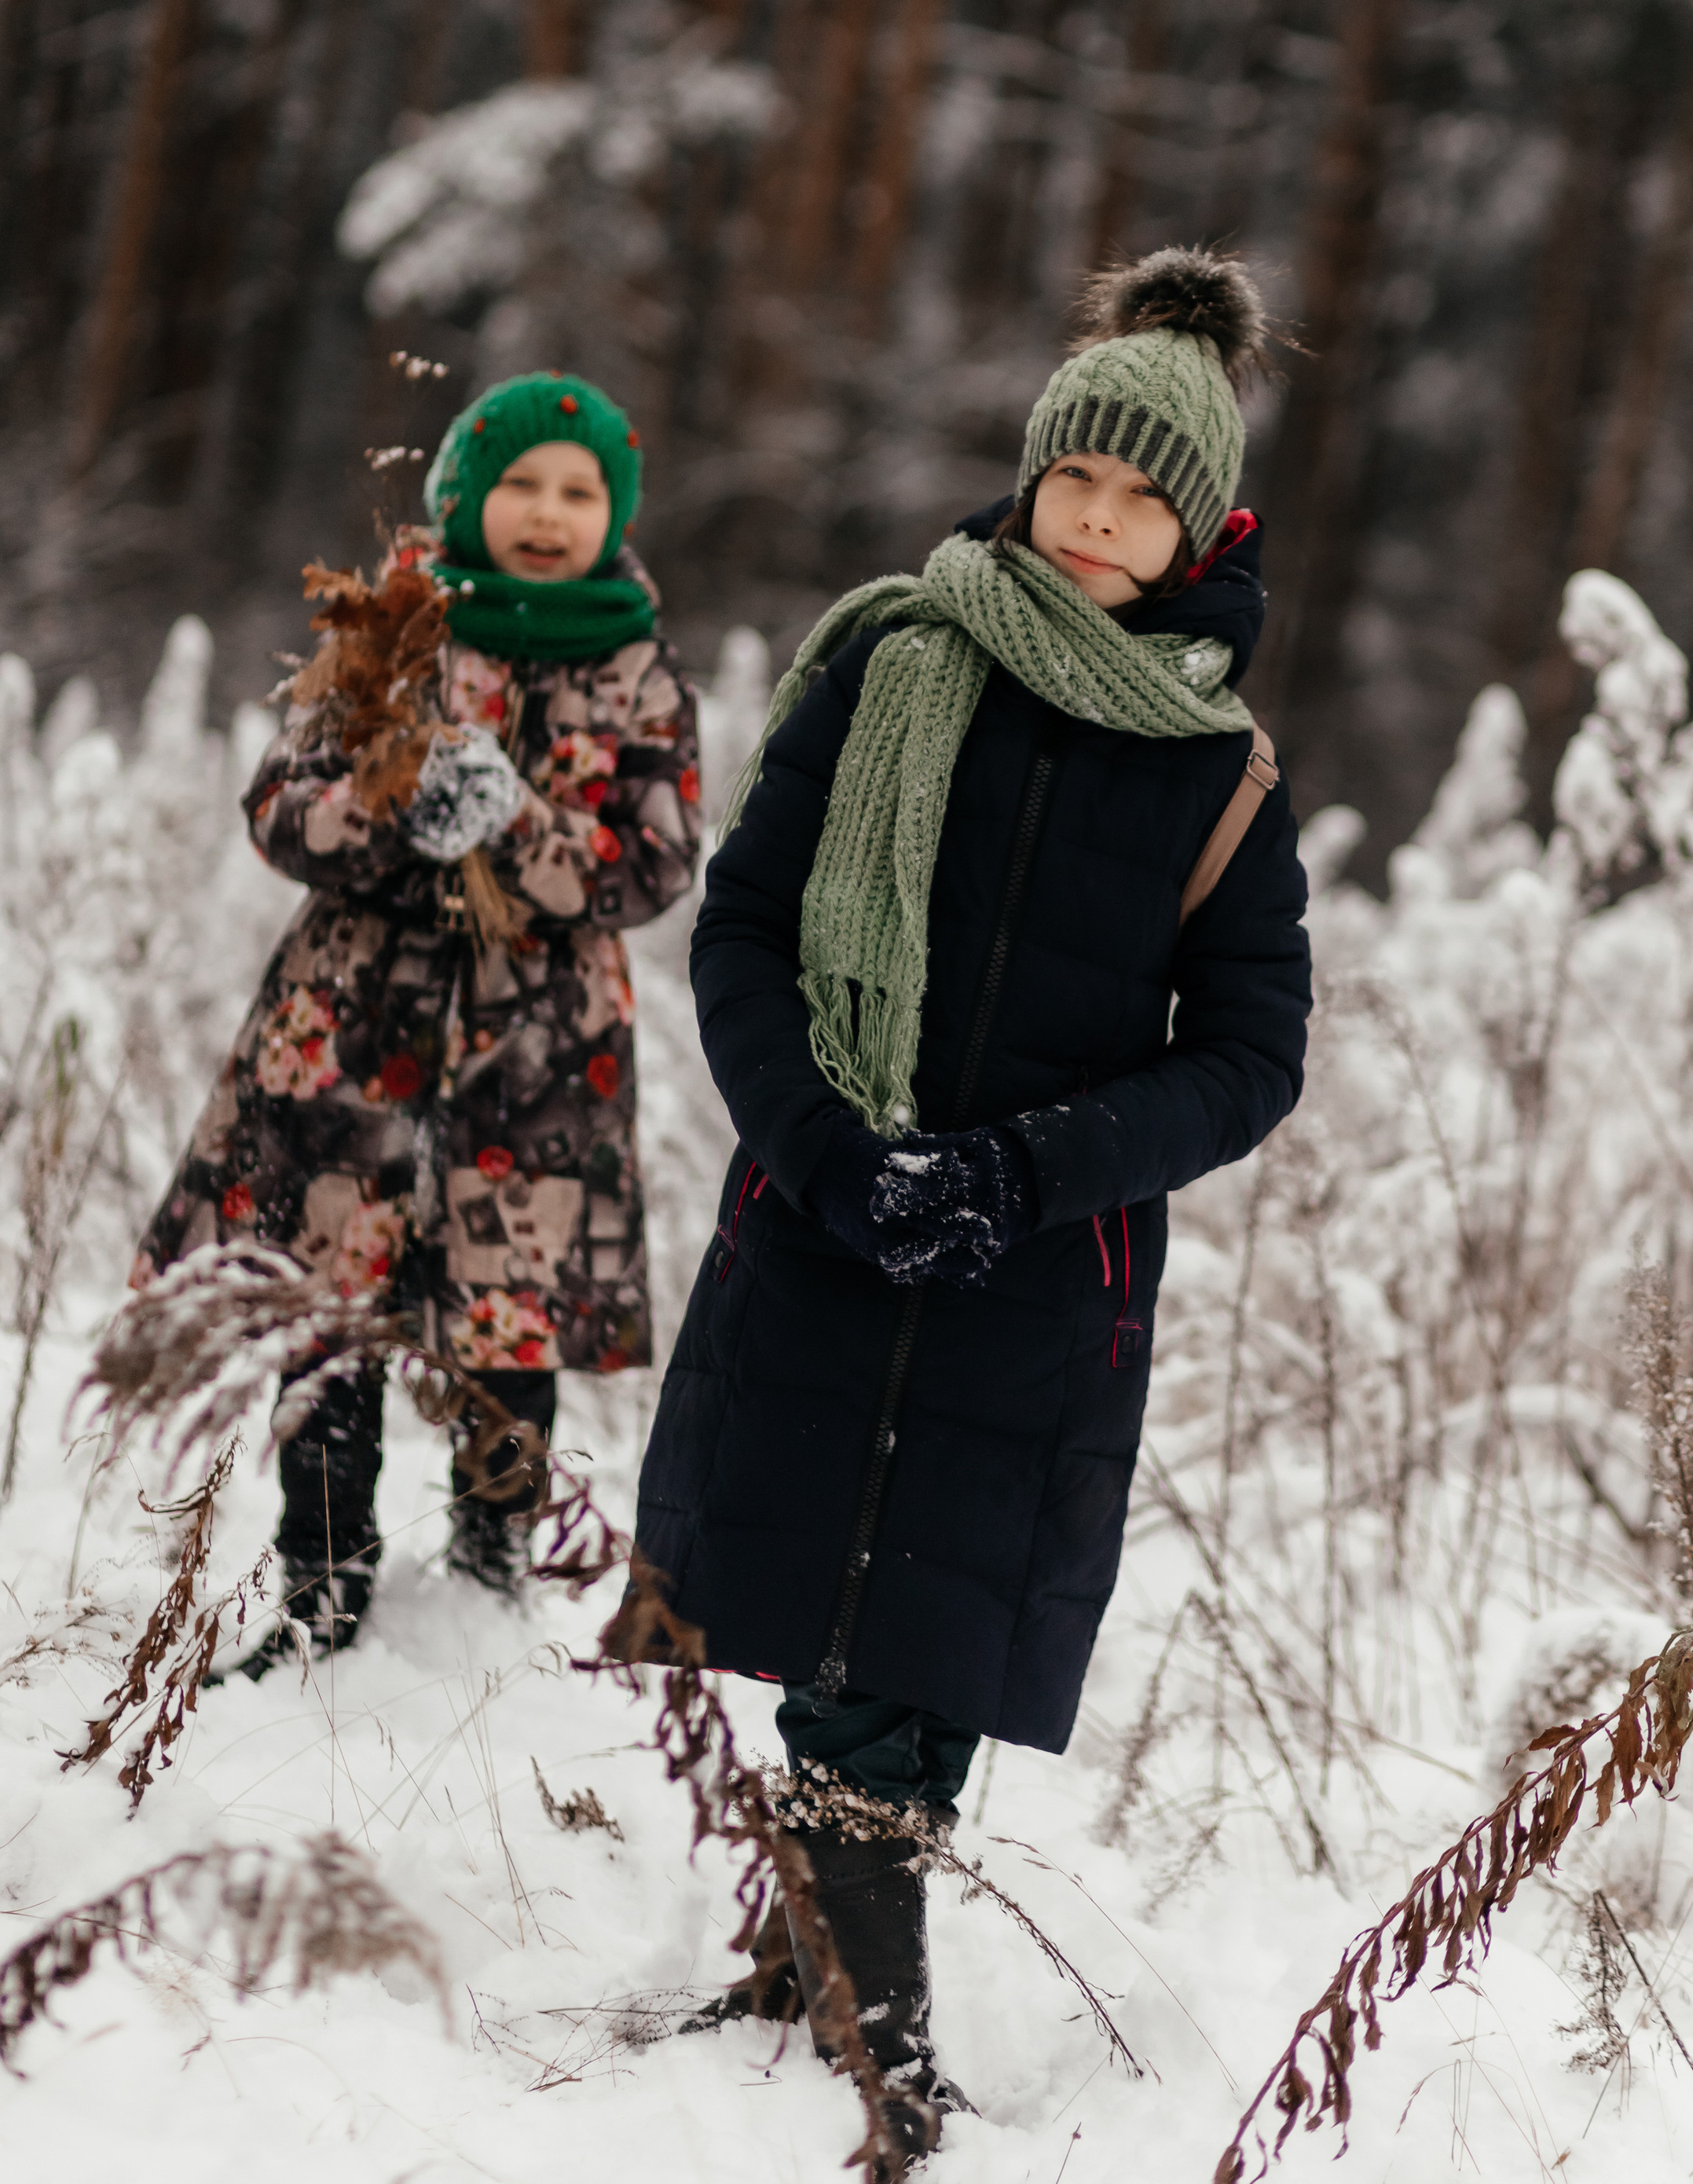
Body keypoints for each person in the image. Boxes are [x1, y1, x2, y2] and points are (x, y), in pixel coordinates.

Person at [625, 250, 1312, 2153]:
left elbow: (1248, 1055)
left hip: (1034, 1261)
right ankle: (858, 2010)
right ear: (1029, 477)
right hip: (827, 1211)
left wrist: (1017, 1172)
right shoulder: (886, 663)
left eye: (1137, 497)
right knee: (828, 1606)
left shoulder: (1217, 771)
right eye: (1070, 483)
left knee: (914, 1630)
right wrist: (830, 1153)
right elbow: (748, 932)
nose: (1093, 523)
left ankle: (827, 1974)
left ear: (1197, 526)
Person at [134, 373, 702, 1673]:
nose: (548, 512)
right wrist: (399, 812)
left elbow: (656, 863)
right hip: (350, 1044)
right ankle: (323, 1586)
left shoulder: (636, 668)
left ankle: (491, 1580)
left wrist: (517, 824)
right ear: (461, 495)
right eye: (519, 484)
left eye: (579, 490)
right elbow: (281, 805)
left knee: (508, 1322)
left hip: (536, 1061)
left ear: (613, 513)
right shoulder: (392, 632)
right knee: (330, 1322)